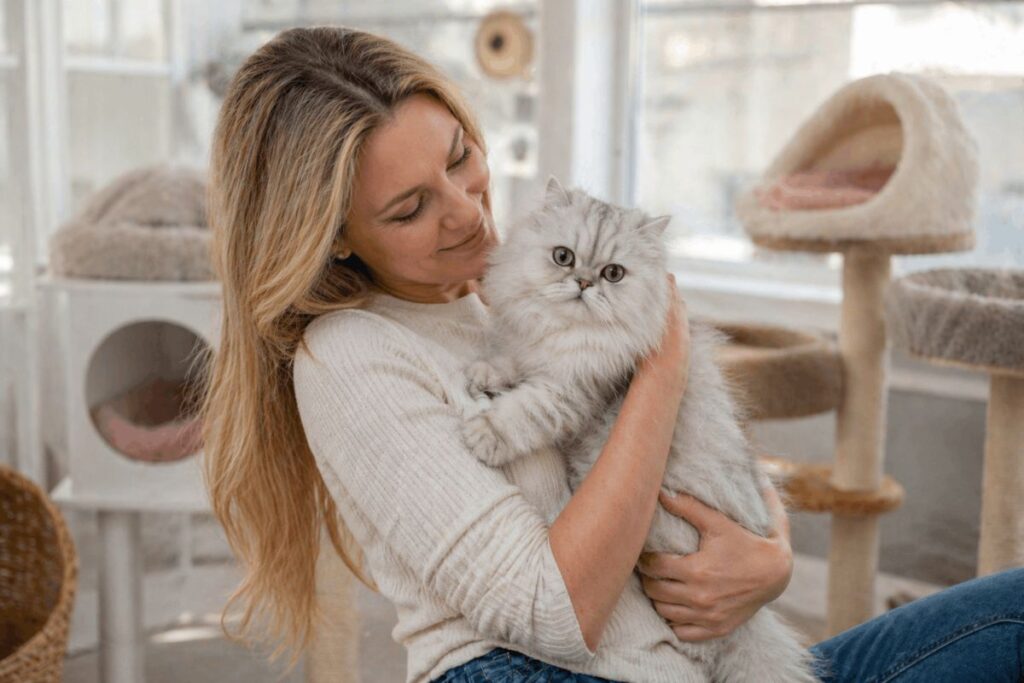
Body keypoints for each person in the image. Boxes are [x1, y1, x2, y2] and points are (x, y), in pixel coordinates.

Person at [199, 25, 1024, 683]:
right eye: (411, 207)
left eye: (460, 158)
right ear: (336, 237)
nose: (466, 215)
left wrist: (768, 555)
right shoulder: (351, 357)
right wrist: (661, 363)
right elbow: (556, 611)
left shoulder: (516, 278)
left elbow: (703, 448)